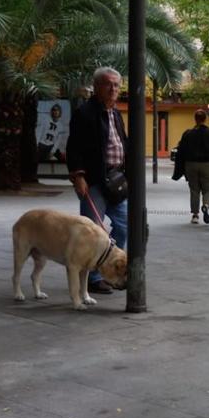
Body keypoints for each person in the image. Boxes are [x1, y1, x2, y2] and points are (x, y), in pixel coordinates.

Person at [65, 67, 128, 294]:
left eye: (117, 85)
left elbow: (122, 144)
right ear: (97, 86)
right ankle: (92, 278)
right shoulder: (85, 113)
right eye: (108, 84)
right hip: (94, 181)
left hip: (116, 180)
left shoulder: (116, 113)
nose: (113, 89)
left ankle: (113, 267)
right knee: (92, 232)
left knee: (125, 226)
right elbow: (74, 148)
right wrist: (78, 176)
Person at [173, 109, 209, 225]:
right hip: (207, 164)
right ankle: (206, 206)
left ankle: (195, 215)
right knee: (208, 189)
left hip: (191, 164)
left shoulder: (188, 134)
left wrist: (179, 168)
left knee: (194, 190)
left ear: (195, 119)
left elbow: (181, 151)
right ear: (205, 119)